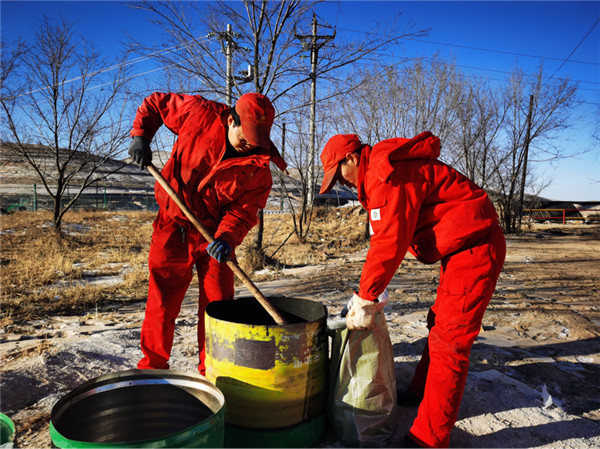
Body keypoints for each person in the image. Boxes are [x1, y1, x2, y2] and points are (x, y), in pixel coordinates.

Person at [319, 131, 506, 448]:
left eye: (339, 175)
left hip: (476, 248)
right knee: (439, 324)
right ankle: (422, 390)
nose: (341, 183)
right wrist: (367, 292)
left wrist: (365, 297)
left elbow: (388, 244)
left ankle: (430, 438)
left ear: (351, 158)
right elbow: (393, 237)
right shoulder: (383, 170)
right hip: (460, 249)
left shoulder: (384, 173)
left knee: (451, 340)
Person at [128, 92, 286, 375]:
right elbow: (155, 103)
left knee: (218, 308)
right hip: (172, 227)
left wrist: (227, 238)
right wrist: (141, 135)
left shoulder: (258, 169)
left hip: (215, 239)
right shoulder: (198, 113)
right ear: (230, 120)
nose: (249, 145)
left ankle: (212, 370)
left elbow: (243, 212)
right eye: (245, 137)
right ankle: (152, 369)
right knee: (161, 301)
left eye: (256, 139)